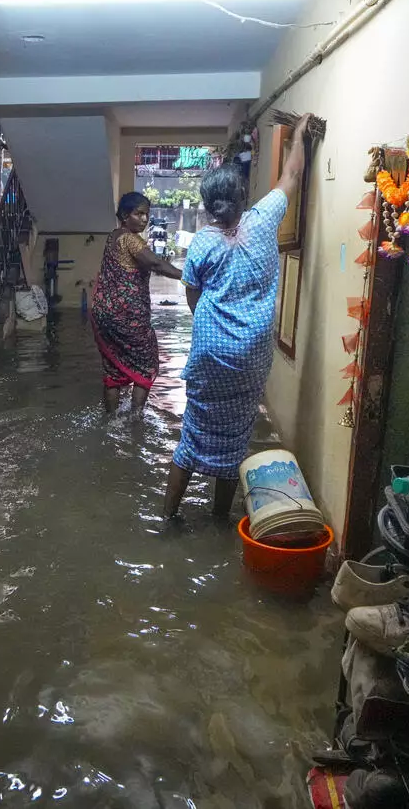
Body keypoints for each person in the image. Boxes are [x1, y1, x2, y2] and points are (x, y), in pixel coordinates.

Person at [164, 116, 314, 516]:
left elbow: (192, 292)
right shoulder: (264, 220)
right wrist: (299, 135)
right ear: (243, 195)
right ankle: (218, 521)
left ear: (208, 205)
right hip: (251, 355)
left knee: (191, 438)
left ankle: (169, 520)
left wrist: (209, 326)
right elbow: (292, 173)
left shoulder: (202, 243)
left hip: (211, 352)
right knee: (235, 439)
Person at [91, 192, 183, 414]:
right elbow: (157, 264)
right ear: (124, 215)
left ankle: (110, 419)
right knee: (148, 363)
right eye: (138, 214)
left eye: (146, 215)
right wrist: (189, 275)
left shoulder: (113, 236)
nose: (144, 220)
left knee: (113, 370)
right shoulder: (130, 239)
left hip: (104, 315)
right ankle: (135, 419)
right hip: (127, 317)